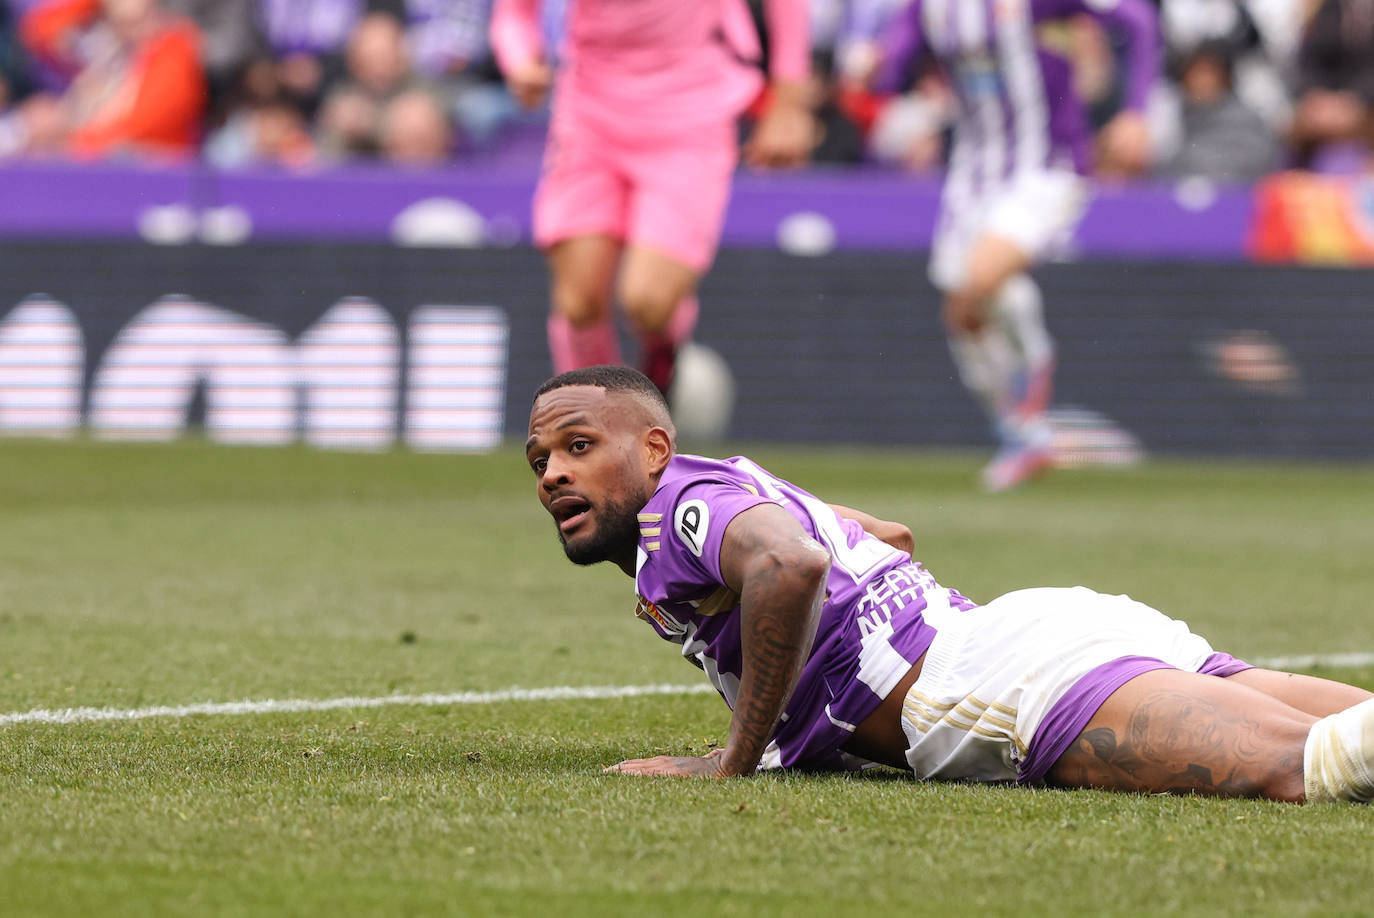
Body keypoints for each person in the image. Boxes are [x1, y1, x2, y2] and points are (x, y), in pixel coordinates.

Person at [524, 365, 1374, 802]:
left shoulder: (673, 515)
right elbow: (882, 536)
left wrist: (736, 762)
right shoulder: (735, 482)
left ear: (657, 451)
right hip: (1023, 635)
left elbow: (793, 567)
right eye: (541, 461)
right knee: (1342, 733)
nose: (554, 475)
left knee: (1311, 767)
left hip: (986, 689)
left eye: (580, 446)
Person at [875, 0, 1161, 491]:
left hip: (1047, 167)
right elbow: (892, 70)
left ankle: (1032, 397)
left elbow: (1137, 20)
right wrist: (875, 62)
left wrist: (1135, 112)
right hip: (971, 176)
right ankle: (1022, 434)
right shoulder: (930, 8)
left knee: (982, 278)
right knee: (963, 312)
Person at [489, 0, 814, 395]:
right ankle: (602, 421)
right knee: (578, 303)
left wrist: (789, 104)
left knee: (648, 301)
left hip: (691, 113)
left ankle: (663, 355)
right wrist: (520, 59)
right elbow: (515, 12)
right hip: (589, 113)